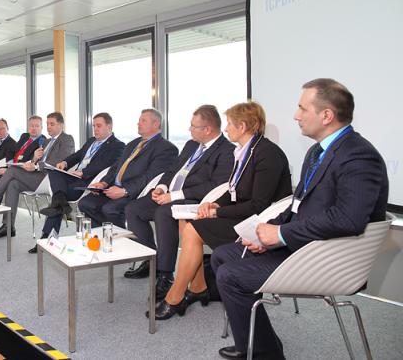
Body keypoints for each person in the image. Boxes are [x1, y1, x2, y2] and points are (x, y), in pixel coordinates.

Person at [212, 79, 388, 360]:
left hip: (328, 258)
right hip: (306, 245)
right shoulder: (317, 151)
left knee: (231, 275)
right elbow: (298, 205)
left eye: (302, 108)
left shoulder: (358, 156)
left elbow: (348, 219)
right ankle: (258, 345)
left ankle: (264, 353)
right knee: (222, 256)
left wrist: (280, 236)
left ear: (326, 115)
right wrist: (266, 233)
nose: (296, 115)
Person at [151, 101, 292, 320]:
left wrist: (218, 212)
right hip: (242, 214)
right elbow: (235, 190)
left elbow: (259, 205)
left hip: (259, 223)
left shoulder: (267, 154)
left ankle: (175, 297)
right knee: (186, 221)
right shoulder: (245, 151)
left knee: (192, 230)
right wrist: (216, 204)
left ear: (243, 126)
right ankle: (198, 288)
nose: (226, 129)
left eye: (229, 124)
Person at [123, 105, 234, 300]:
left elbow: (214, 186)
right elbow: (172, 170)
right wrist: (162, 187)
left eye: (193, 126)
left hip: (195, 201)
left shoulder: (226, 151)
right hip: (170, 195)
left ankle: (165, 275)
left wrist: (173, 196)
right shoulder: (192, 145)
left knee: (164, 213)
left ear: (207, 129)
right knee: (133, 209)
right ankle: (153, 259)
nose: (189, 130)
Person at [27, 112, 126, 253]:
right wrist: (65, 162)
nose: (95, 129)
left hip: (88, 181)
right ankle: (61, 204)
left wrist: (83, 173)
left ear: (109, 127)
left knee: (57, 198)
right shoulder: (91, 140)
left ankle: (46, 236)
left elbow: (106, 165)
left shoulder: (117, 145)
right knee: (54, 171)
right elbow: (78, 154)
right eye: (93, 126)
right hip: (74, 176)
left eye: (99, 126)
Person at [78, 109, 178, 228]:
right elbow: (116, 166)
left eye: (143, 121)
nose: (138, 123)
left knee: (109, 209)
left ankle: (120, 237)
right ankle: (104, 234)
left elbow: (150, 176)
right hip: (113, 188)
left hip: (134, 192)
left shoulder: (166, 148)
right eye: (139, 120)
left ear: (155, 124)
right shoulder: (133, 144)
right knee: (85, 203)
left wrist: (125, 191)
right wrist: (103, 183)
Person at [0, 112, 75, 239]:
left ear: (61, 125)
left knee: (11, 171)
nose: (48, 127)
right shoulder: (47, 141)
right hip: (37, 175)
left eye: (52, 124)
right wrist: (34, 159)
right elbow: (36, 162)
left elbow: (61, 161)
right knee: (13, 184)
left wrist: (37, 165)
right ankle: (8, 226)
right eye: (47, 124)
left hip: (49, 179)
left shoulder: (67, 139)